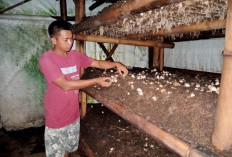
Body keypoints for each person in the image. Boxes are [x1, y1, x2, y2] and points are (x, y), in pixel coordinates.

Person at [39, 20, 128, 157]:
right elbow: (66, 85)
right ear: (54, 40)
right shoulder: (46, 59)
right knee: (57, 153)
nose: (70, 43)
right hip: (56, 116)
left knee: (67, 150)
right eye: (66, 39)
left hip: (73, 114)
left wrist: (115, 64)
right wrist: (96, 81)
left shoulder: (75, 55)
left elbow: (96, 62)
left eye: (71, 39)